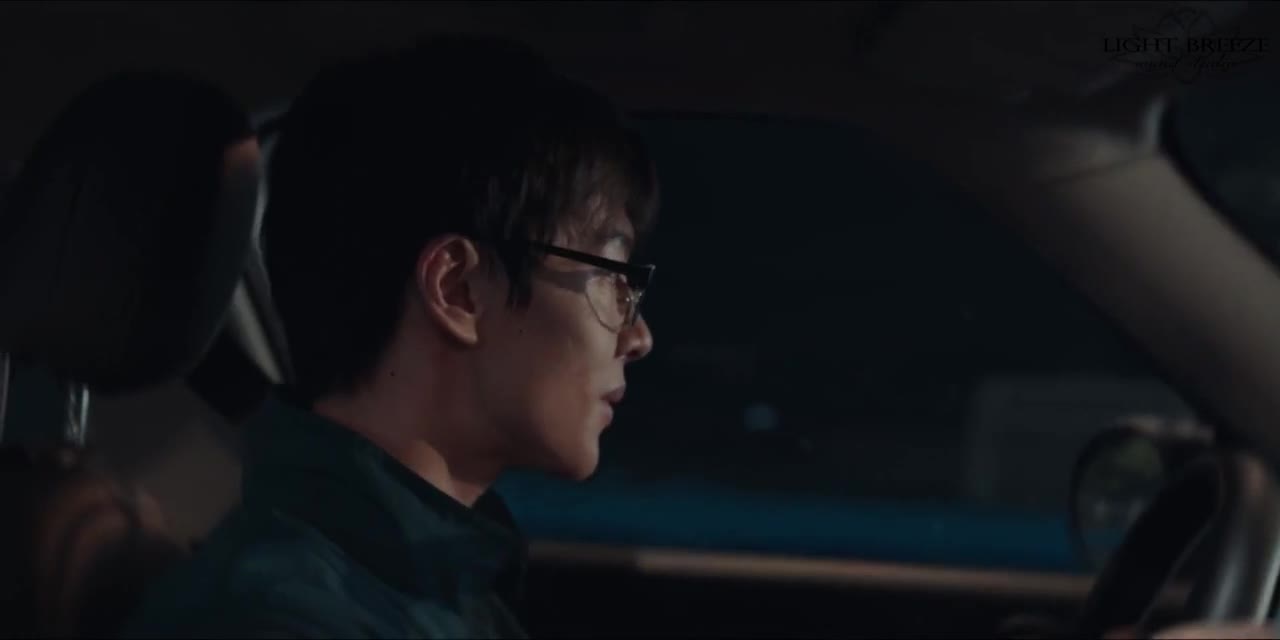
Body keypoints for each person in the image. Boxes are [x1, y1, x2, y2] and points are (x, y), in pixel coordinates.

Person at [122, 34, 657, 639]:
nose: (638, 336)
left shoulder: (441, 592)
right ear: (458, 290)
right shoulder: (281, 621)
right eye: (612, 278)